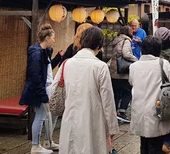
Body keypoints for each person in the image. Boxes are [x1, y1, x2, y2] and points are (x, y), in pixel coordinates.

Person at [59, 26, 119, 153]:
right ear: (99, 44)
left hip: (70, 117)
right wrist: (112, 127)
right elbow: (107, 100)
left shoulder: (67, 63)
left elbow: (57, 90)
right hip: (93, 119)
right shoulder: (100, 66)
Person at [129, 36, 170, 154]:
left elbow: (132, 82)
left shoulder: (133, 66)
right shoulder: (163, 64)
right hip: (158, 110)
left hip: (139, 111)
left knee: (144, 143)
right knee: (155, 145)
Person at [19, 24, 60, 153]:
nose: (54, 40)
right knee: (41, 116)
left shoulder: (43, 52)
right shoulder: (36, 53)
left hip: (46, 87)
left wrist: (58, 57)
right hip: (42, 89)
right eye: (53, 37)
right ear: (47, 38)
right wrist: (43, 95)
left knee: (51, 115)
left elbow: (45, 70)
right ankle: (35, 146)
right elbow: (35, 76)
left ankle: (48, 141)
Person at [109, 25, 137, 123]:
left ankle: (115, 113)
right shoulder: (126, 40)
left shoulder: (117, 40)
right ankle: (122, 113)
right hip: (123, 71)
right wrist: (136, 59)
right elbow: (125, 53)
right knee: (128, 92)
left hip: (114, 71)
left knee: (116, 93)